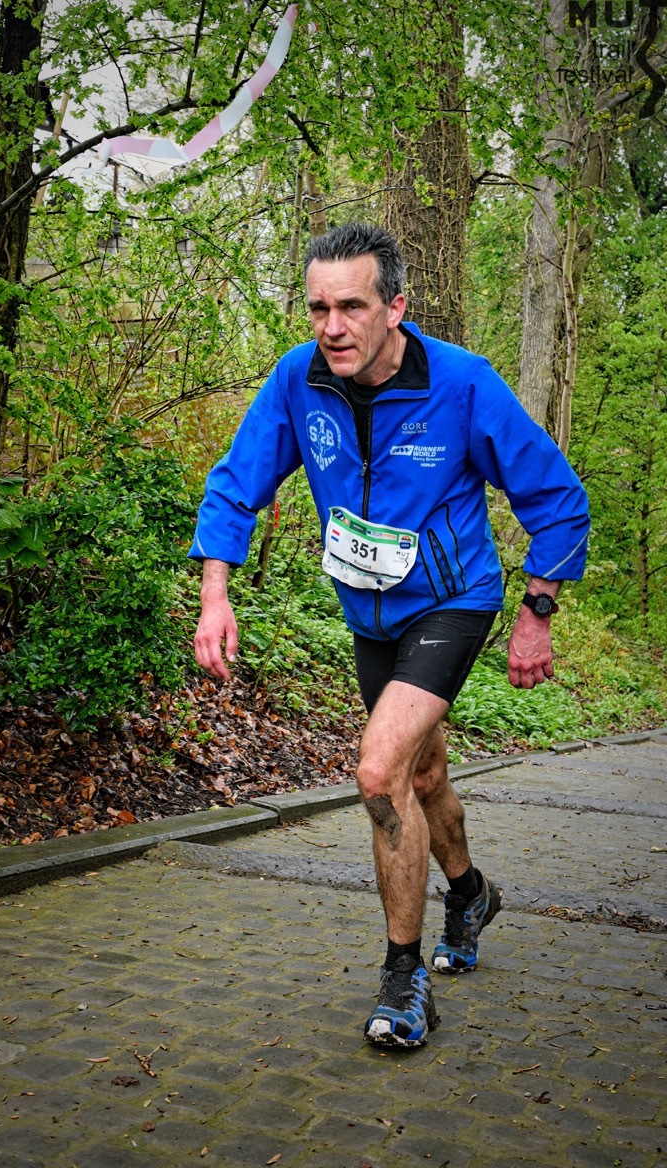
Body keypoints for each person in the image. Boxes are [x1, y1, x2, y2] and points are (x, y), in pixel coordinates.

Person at [190, 223, 589, 1050]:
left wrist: (536, 612)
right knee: (423, 772)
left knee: (379, 771)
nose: (332, 327)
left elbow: (556, 497)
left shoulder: (462, 384)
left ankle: (404, 981)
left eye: (352, 307)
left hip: (451, 601)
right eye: (318, 309)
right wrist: (215, 594)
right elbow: (235, 484)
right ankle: (470, 895)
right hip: (368, 612)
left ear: (395, 307)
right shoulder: (298, 381)